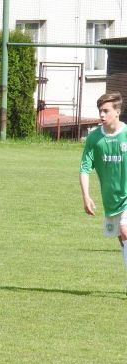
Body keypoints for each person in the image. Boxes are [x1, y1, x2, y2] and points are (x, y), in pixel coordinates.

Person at [80, 92, 127, 283]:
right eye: (100, 110)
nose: (101, 115)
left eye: (105, 111)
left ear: (117, 112)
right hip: (111, 199)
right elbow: (84, 168)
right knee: (122, 239)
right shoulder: (94, 139)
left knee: (125, 231)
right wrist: (86, 197)